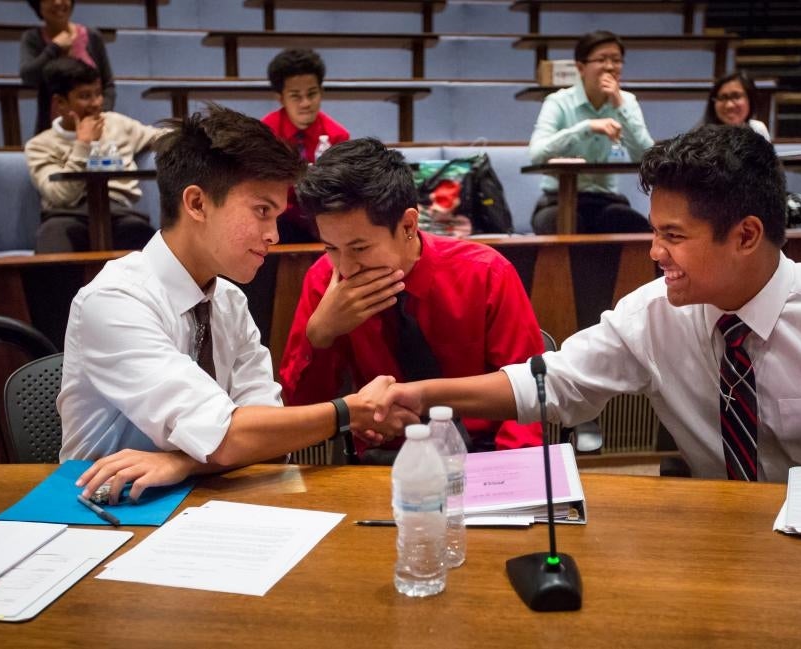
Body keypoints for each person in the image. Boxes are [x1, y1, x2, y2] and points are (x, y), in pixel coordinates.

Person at [375, 125, 801, 560]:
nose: (654, 251)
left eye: (673, 235)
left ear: (746, 235)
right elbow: (548, 384)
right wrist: (422, 394)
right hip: (725, 544)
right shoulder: (654, 312)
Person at [60, 105, 415, 503]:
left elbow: (267, 435)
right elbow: (228, 437)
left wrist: (185, 463)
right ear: (196, 203)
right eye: (262, 211)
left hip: (205, 496)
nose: (274, 235)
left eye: (278, 216)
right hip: (104, 506)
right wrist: (348, 411)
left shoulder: (228, 300)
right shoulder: (114, 301)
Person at [280, 138, 544, 463]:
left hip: (486, 453)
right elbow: (301, 414)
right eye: (331, 248)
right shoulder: (326, 282)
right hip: (385, 459)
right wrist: (319, 336)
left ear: (408, 225)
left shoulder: (485, 272)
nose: (345, 267)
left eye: (360, 248)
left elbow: (530, 393)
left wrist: (510, 483)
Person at [25, 58, 158, 253]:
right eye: (85, 96)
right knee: (52, 240)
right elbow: (61, 196)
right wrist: (83, 145)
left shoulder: (117, 124)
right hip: (66, 215)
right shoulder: (39, 146)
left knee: (146, 239)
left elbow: (159, 137)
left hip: (119, 211)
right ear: (60, 103)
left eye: (98, 94)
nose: (96, 103)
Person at [528, 30, 653, 235]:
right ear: (581, 67)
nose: (610, 67)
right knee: (563, 224)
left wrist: (620, 106)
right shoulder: (558, 102)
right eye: (602, 59)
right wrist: (586, 128)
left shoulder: (627, 102)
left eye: (616, 60)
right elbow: (536, 154)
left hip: (607, 200)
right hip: (558, 199)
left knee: (635, 227)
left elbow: (646, 157)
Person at [261, 48, 351, 243]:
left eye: (312, 94)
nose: (305, 103)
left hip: (322, 222)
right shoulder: (264, 134)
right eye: (295, 96)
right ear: (280, 97)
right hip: (275, 222)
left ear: (321, 92)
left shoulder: (338, 136)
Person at [20, 0, 116, 134]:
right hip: (53, 132)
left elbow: (108, 85)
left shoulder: (92, 36)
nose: (58, 2)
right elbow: (28, 77)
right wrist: (53, 48)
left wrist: (99, 115)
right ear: (38, 5)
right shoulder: (32, 38)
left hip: (96, 129)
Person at [701, 71, 770, 141]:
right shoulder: (701, 138)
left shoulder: (757, 129)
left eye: (736, 96)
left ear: (750, 99)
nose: (729, 105)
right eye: (722, 97)